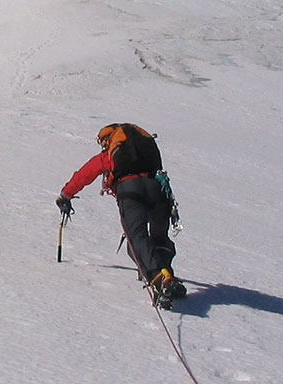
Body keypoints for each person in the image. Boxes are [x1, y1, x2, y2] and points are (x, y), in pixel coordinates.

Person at [56, 122, 186, 307]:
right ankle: (167, 276)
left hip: (130, 191)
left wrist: (65, 195)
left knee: (137, 237)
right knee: (159, 236)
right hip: (158, 188)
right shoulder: (144, 149)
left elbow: (85, 174)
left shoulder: (111, 154)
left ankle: (159, 278)